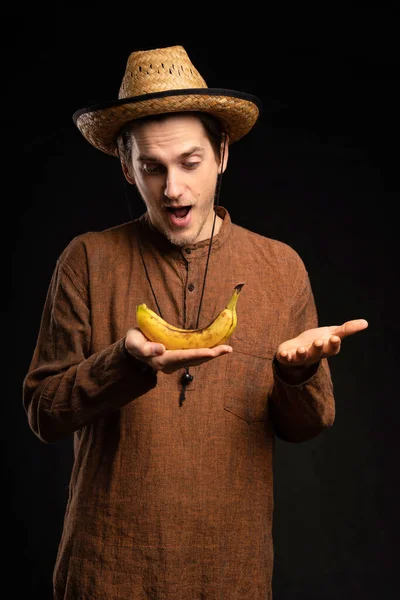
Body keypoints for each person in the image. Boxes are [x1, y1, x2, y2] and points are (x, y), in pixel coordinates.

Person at [22, 44, 368, 600]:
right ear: (126, 167)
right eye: (151, 168)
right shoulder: (87, 259)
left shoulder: (279, 267)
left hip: (231, 577)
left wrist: (296, 374)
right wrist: (121, 363)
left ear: (222, 153)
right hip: (105, 574)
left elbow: (308, 425)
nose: (173, 189)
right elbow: (43, 413)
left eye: (190, 162)